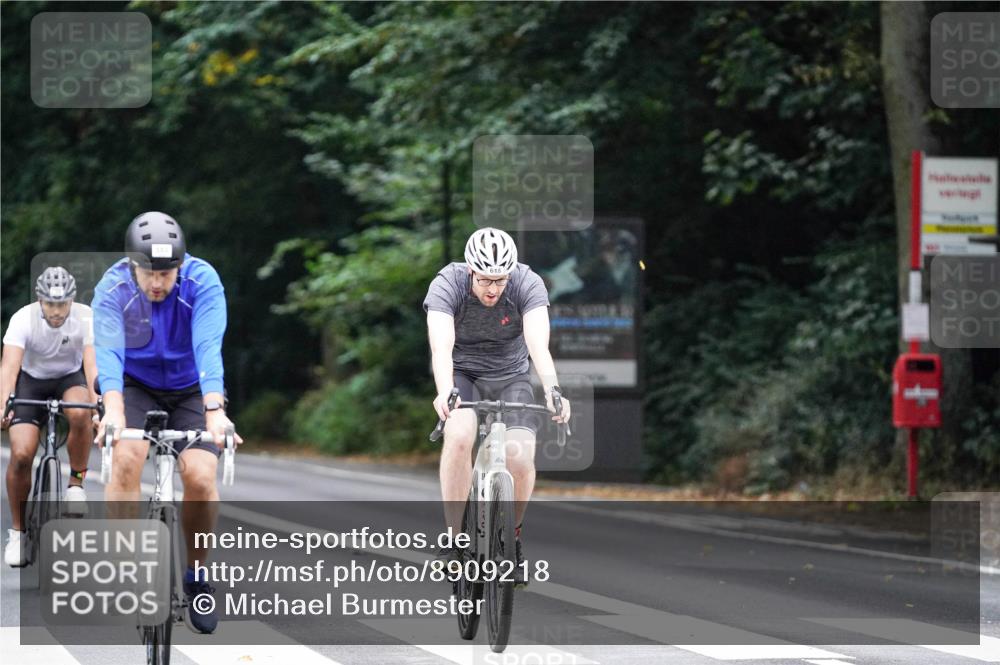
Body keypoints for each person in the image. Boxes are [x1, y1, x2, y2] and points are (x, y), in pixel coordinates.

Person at [92, 211, 241, 634]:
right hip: (134, 385)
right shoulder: (112, 287)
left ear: (181, 264)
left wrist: (215, 409)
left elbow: (208, 344)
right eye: (148, 272)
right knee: (126, 457)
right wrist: (114, 408)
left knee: (199, 474)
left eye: (167, 272)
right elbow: (109, 351)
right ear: (131, 265)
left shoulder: (203, 282)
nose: (157, 283)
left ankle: (196, 576)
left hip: (191, 387)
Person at [424, 227, 570, 586]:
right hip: (463, 373)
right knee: (458, 436)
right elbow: (441, 347)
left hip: (511, 376)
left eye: (500, 280)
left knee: (520, 456)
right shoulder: (448, 284)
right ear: (471, 272)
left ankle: (513, 540)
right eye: (486, 280)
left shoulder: (527, 283)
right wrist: (445, 392)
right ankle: (455, 539)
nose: (493, 289)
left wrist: (553, 391)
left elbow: (539, 345)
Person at [1, 268, 98, 567]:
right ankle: (18, 531)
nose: (56, 312)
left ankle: (75, 485)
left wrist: (99, 407)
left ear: (71, 301)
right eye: (50, 304)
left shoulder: (85, 317)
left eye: (62, 305)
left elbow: (92, 367)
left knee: (81, 413)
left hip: (69, 379)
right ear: (40, 301)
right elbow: (9, 368)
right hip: (31, 382)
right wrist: (4, 401)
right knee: (21, 454)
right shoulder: (22, 319)